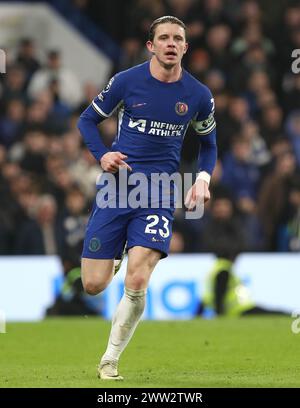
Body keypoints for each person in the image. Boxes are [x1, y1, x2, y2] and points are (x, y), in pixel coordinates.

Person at [77, 15, 217, 380]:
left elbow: (209, 144)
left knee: (137, 280)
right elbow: (86, 121)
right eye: (164, 38)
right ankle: (120, 255)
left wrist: (202, 179)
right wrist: (102, 155)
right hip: (116, 189)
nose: (171, 43)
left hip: (158, 192)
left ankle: (109, 359)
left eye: (178, 38)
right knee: (93, 284)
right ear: (151, 45)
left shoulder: (199, 95)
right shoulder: (127, 82)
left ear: (185, 47)